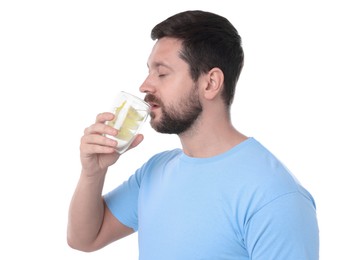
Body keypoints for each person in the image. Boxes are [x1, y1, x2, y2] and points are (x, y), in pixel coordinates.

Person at [67, 10, 319, 259]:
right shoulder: (155, 171)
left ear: (210, 83)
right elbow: (85, 239)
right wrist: (93, 172)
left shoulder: (275, 196)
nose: (145, 85)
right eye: (149, 71)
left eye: (162, 73)